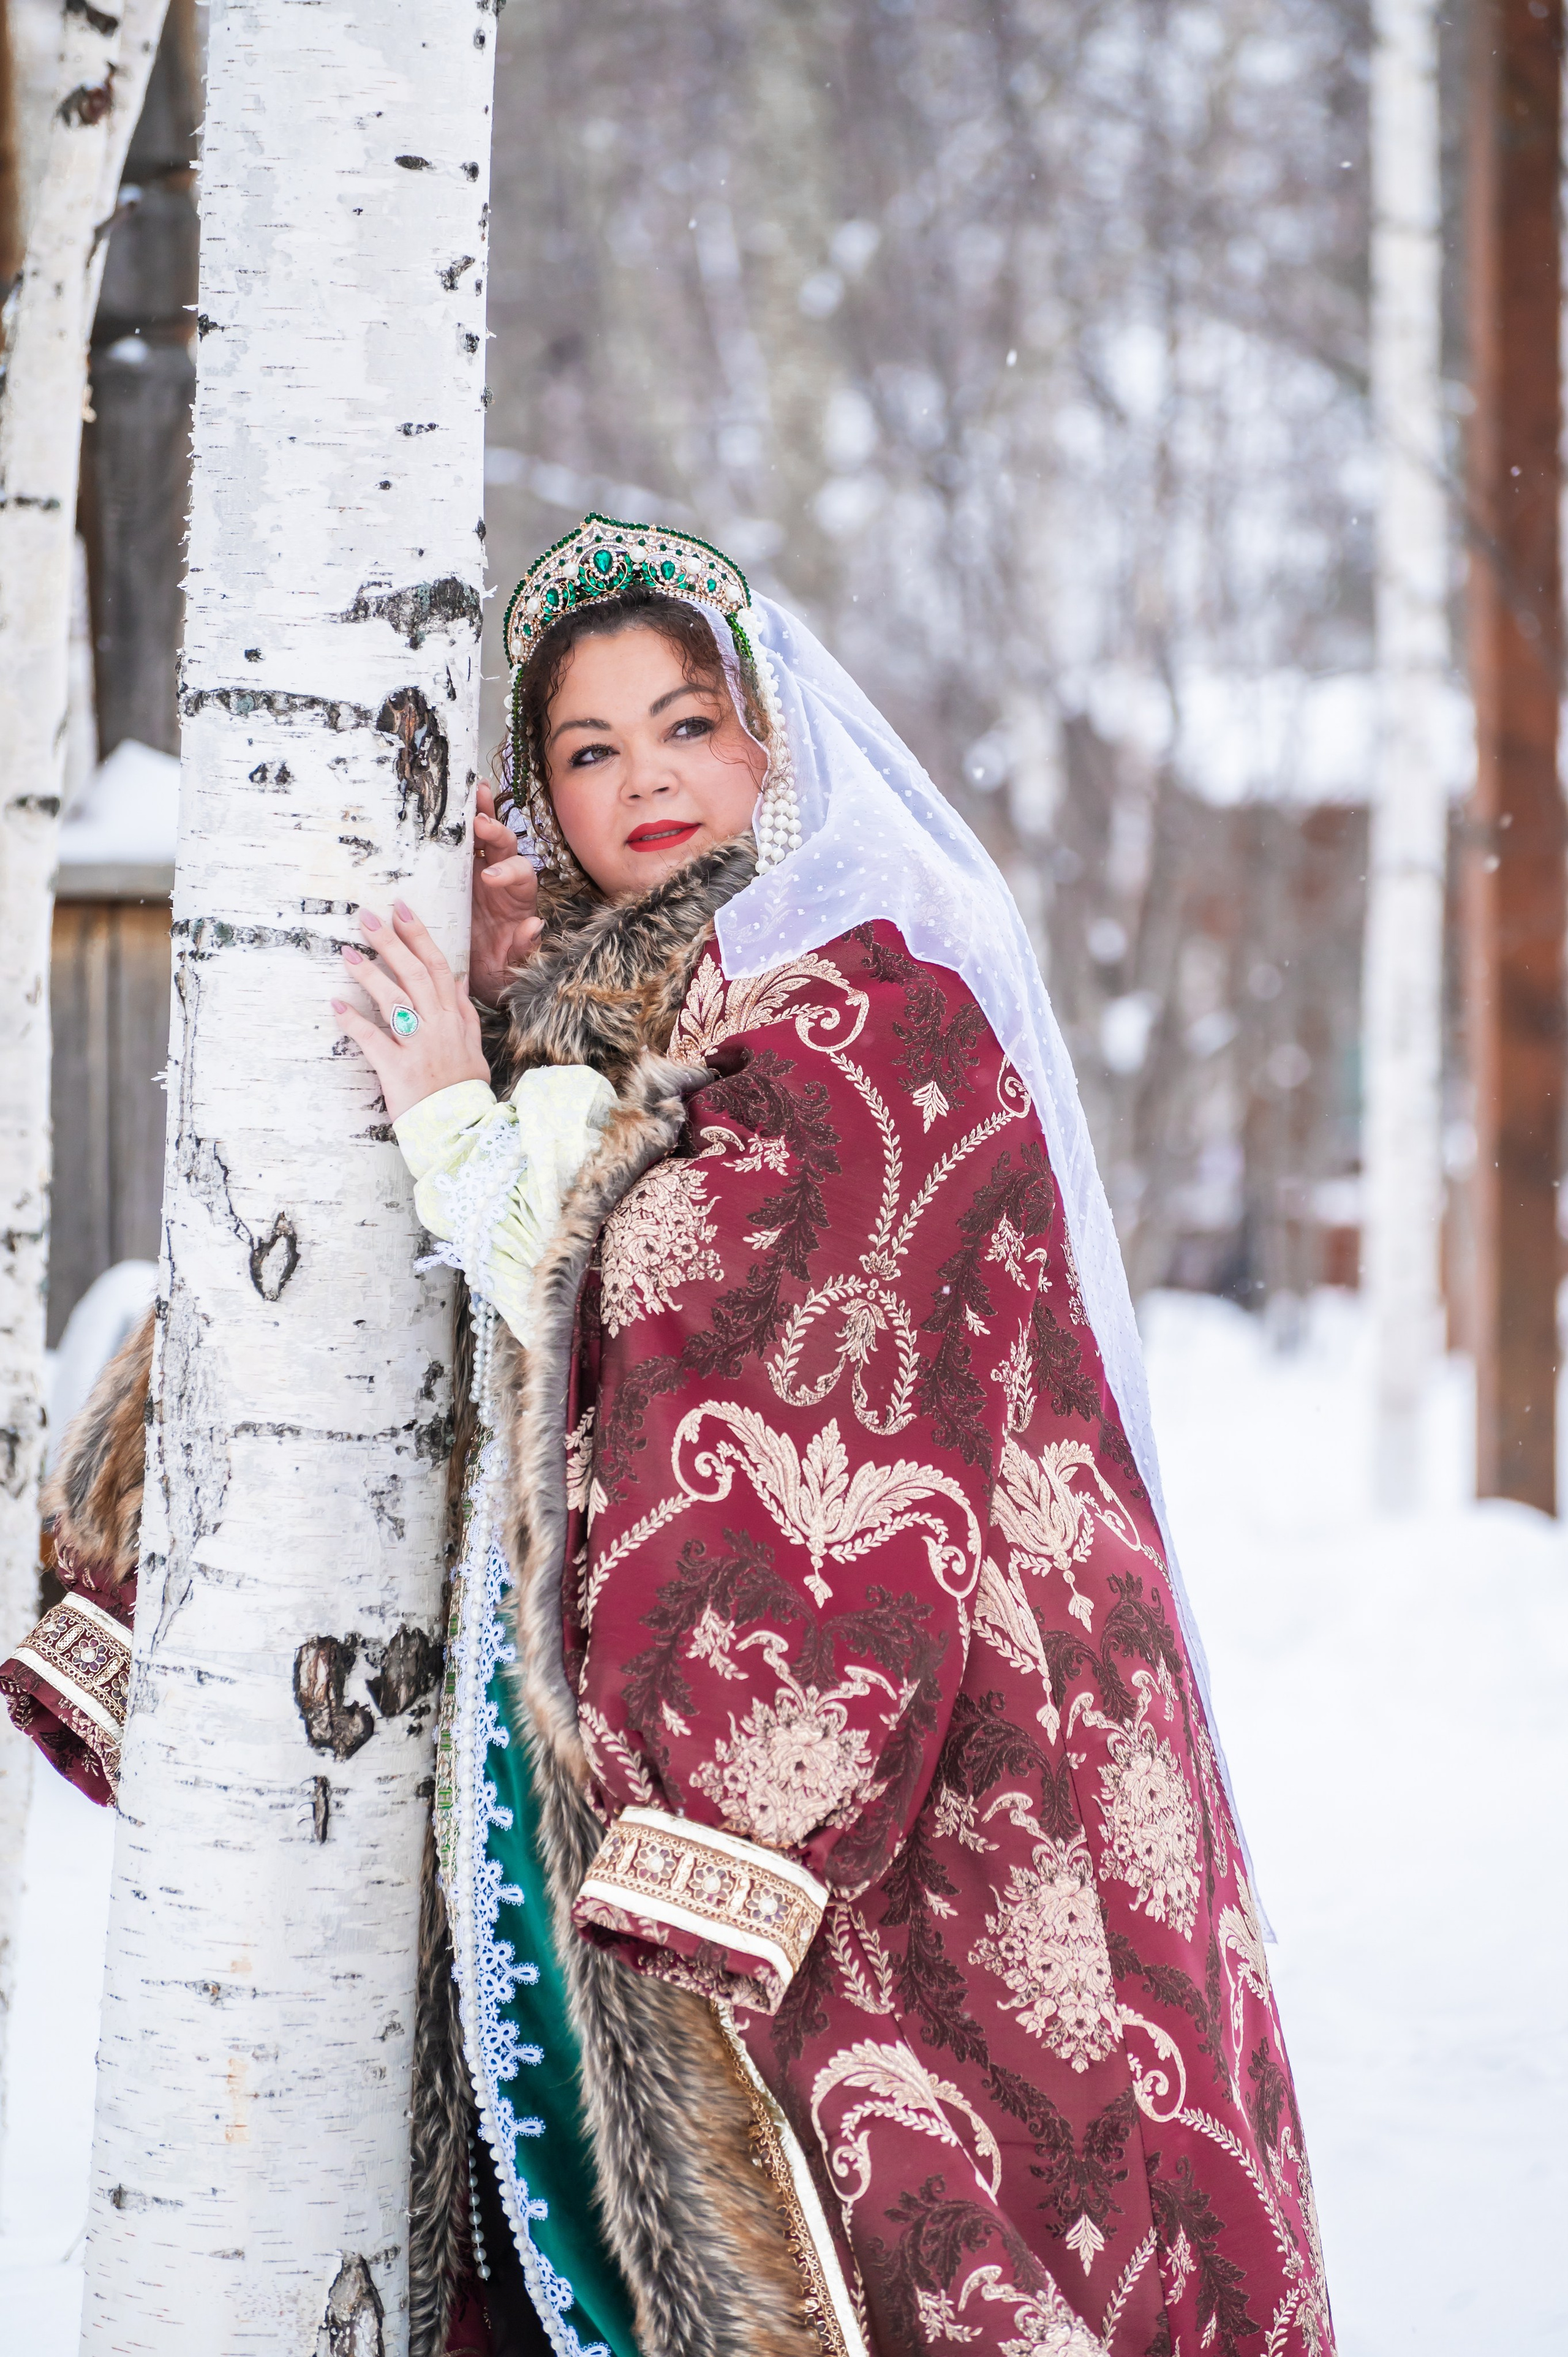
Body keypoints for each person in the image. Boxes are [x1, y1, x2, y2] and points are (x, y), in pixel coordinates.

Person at [4, 515, 1332, 2357]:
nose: (645, 779)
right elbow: (417, 1286)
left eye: (685, 725)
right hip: (541, 1779)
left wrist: (466, 1121)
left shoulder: (884, 1011)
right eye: (588, 749)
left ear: (769, 745)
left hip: (895, 1774)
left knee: (910, 2236)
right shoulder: (588, 1022)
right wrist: (474, 1039)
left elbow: (730, 1304)